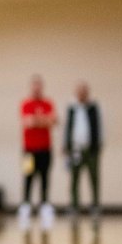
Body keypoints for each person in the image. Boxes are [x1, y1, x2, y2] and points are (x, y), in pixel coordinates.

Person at [19, 75, 56, 227]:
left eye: (39, 86)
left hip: (45, 148)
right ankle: (26, 206)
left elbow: (52, 121)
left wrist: (38, 120)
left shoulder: (48, 103)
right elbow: (26, 122)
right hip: (28, 150)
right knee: (28, 177)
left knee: (45, 177)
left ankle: (45, 205)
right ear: (31, 87)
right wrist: (41, 119)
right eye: (34, 86)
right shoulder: (26, 104)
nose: (37, 88)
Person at [65, 80, 102, 216]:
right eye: (79, 91)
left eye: (84, 91)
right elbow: (67, 128)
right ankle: (74, 206)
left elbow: (100, 127)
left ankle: (95, 205)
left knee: (94, 178)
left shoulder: (94, 108)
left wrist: (98, 145)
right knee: (74, 179)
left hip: (91, 149)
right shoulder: (72, 108)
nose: (81, 94)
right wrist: (66, 145)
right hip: (76, 149)